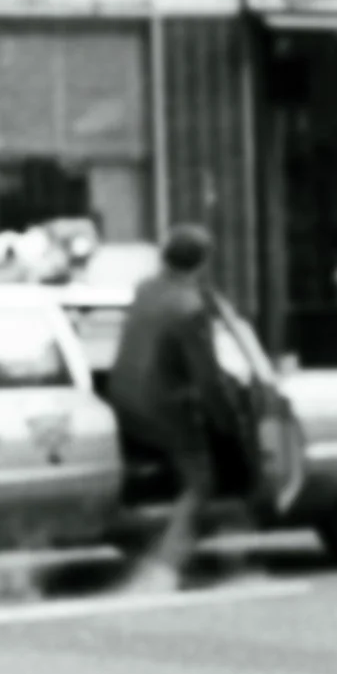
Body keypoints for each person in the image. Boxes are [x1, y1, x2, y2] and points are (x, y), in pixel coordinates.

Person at [107, 223, 231, 593]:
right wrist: (224, 419)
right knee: (201, 481)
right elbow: (207, 378)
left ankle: (148, 539)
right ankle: (164, 565)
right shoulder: (191, 307)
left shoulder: (144, 290)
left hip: (123, 398)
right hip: (162, 409)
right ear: (202, 263)